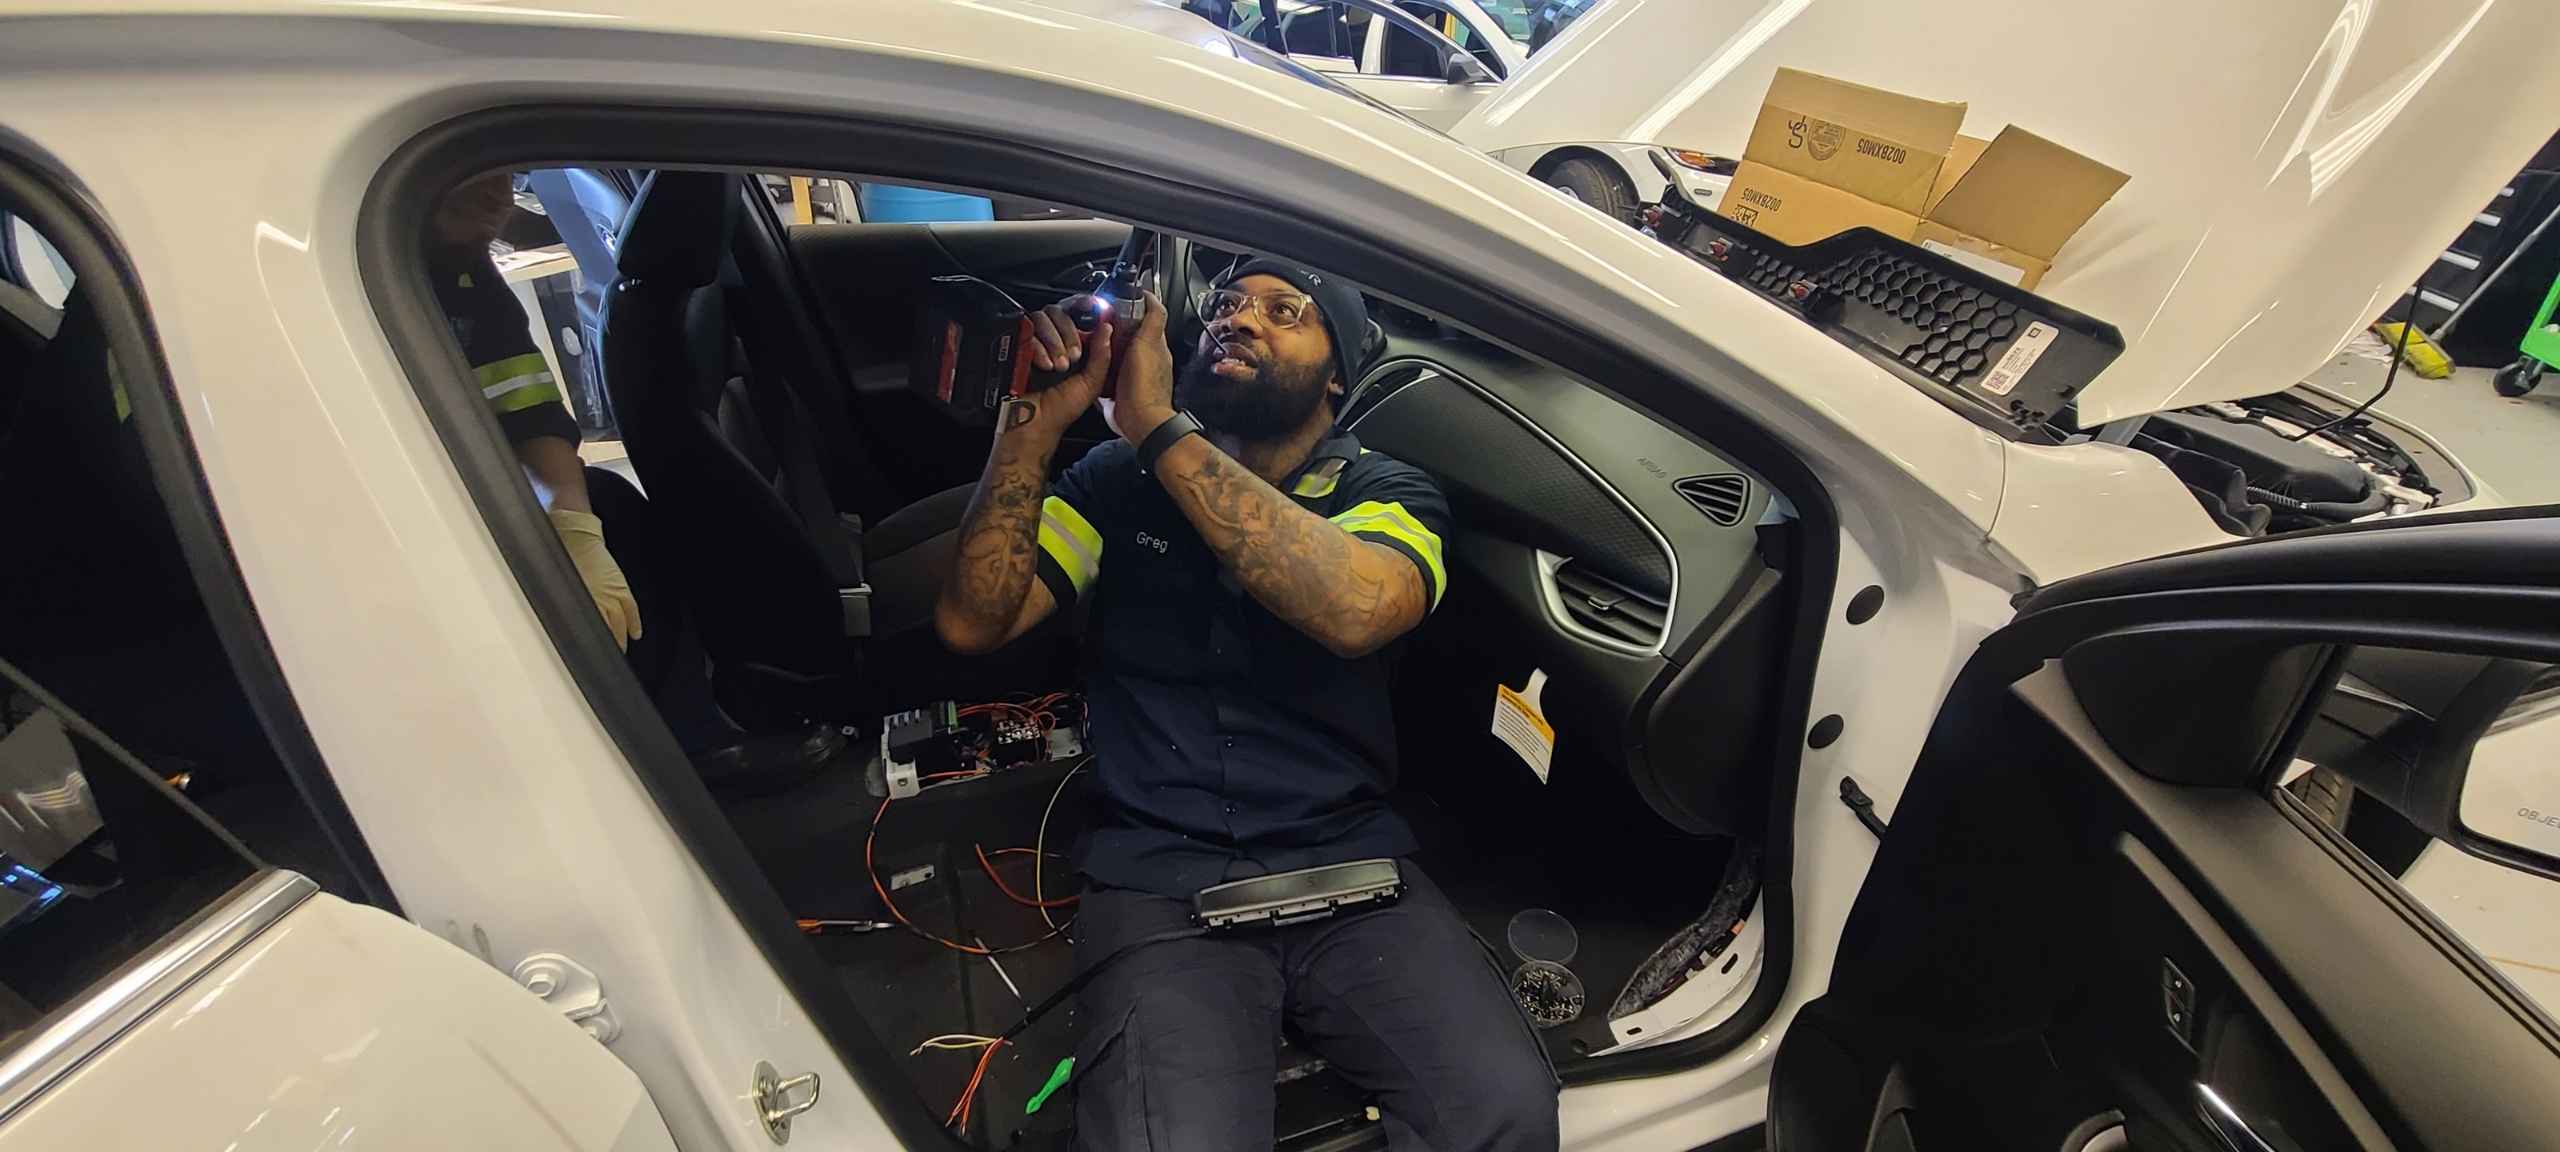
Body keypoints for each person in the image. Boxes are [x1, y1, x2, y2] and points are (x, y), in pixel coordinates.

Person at [935, 260, 1559, 1150]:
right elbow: (974, 622)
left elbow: (1354, 608)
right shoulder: (1117, 483)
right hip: (1160, 877)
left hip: (1348, 869)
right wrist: (1028, 435)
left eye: (1284, 312)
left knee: (1504, 1109)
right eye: (1226, 306)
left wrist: (1158, 427)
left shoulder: (1387, 492)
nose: (1240, 321)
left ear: (1336, 370)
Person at [429, 172, 640, 649]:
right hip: (428, 524)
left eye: (505, 171)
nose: (500, 193)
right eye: (474, 170)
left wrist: (577, 529)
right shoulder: (362, 278)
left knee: (614, 508)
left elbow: (529, 412)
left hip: (488, 495)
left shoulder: (472, 280)